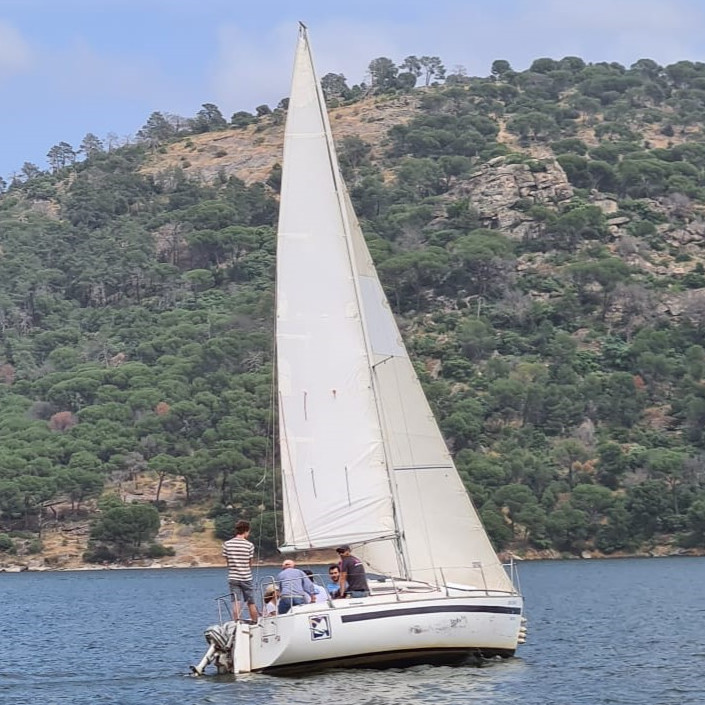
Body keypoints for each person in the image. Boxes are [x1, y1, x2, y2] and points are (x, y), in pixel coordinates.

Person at [222, 519, 259, 623]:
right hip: (246, 577)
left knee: (236, 602)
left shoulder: (227, 544)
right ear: (246, 531)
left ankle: (237, 622)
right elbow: (249, 563)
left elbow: (228, 562)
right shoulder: (249, 545)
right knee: (251, 602)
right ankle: (254, 622)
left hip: (233, 577)